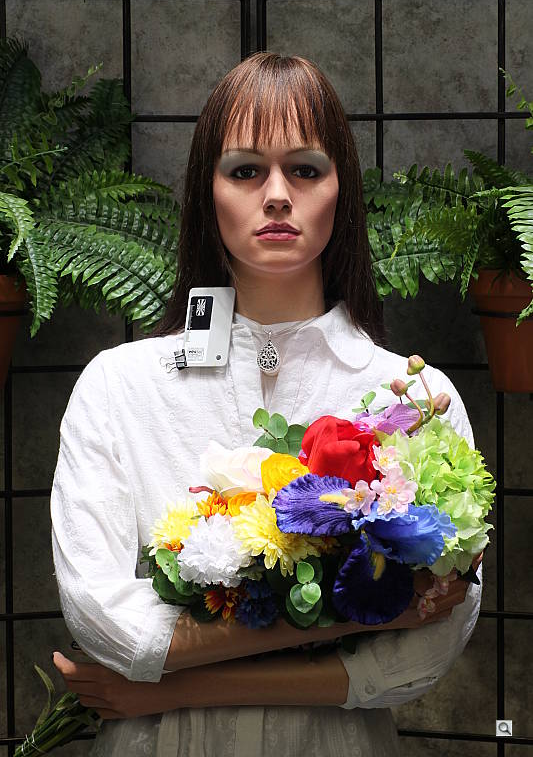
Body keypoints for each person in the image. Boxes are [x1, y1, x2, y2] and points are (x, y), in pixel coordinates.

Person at [50, 52, 483, 757]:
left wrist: (179, 686)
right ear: (207, 190)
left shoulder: (415, 400)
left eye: (305, 169)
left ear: (342, 189)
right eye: (246, 170)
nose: (277, 195)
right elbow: (106, 622)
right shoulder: (119, 387)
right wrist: (372, 613)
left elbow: (424, 656)